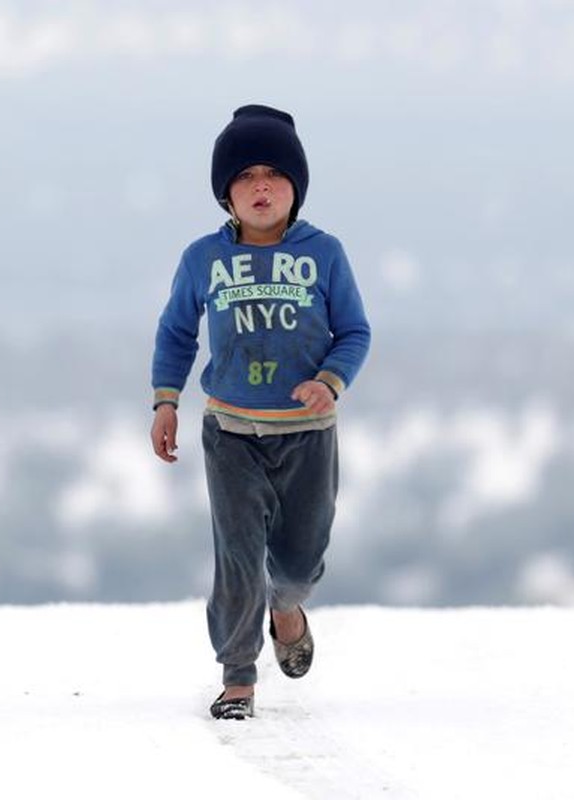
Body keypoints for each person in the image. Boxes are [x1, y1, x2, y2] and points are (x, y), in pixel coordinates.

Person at [149, 105, 371, 720]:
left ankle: (289, 607)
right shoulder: (203, 260)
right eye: (245, 176)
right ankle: (238, 676)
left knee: (298, 563)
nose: (261, 186)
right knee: (239, 556)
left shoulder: (324, 254)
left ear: (295, 187)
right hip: (231, 432)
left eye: (274, 173)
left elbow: (354, 331)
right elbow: (175, 334)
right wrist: (165, 401)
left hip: (308, 434)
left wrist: (331, 380)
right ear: (226, 193)